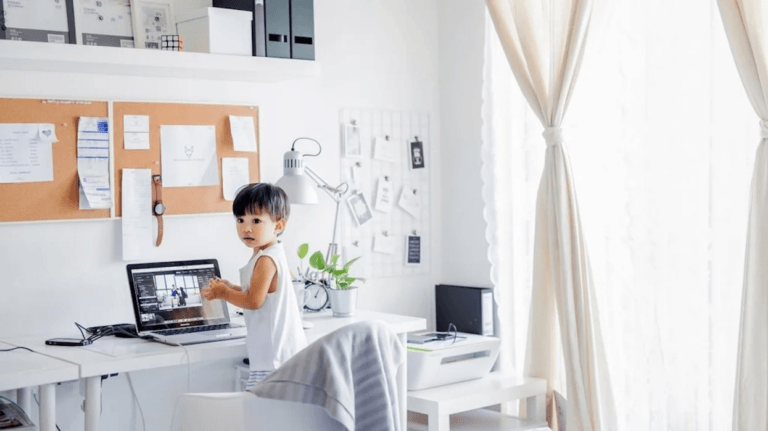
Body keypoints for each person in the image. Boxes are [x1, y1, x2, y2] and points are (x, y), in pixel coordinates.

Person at [202, 183, 307, 390]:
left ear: (278, 226)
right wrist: (233, 287)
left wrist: (224, 293)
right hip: (278, 352)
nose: (245, 228)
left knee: (264, 409)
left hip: (274, 356)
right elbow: (259, 293)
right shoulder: (268, 253)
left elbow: (254, 301)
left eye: (256, 221)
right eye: (240, 220)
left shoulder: (266, 259)